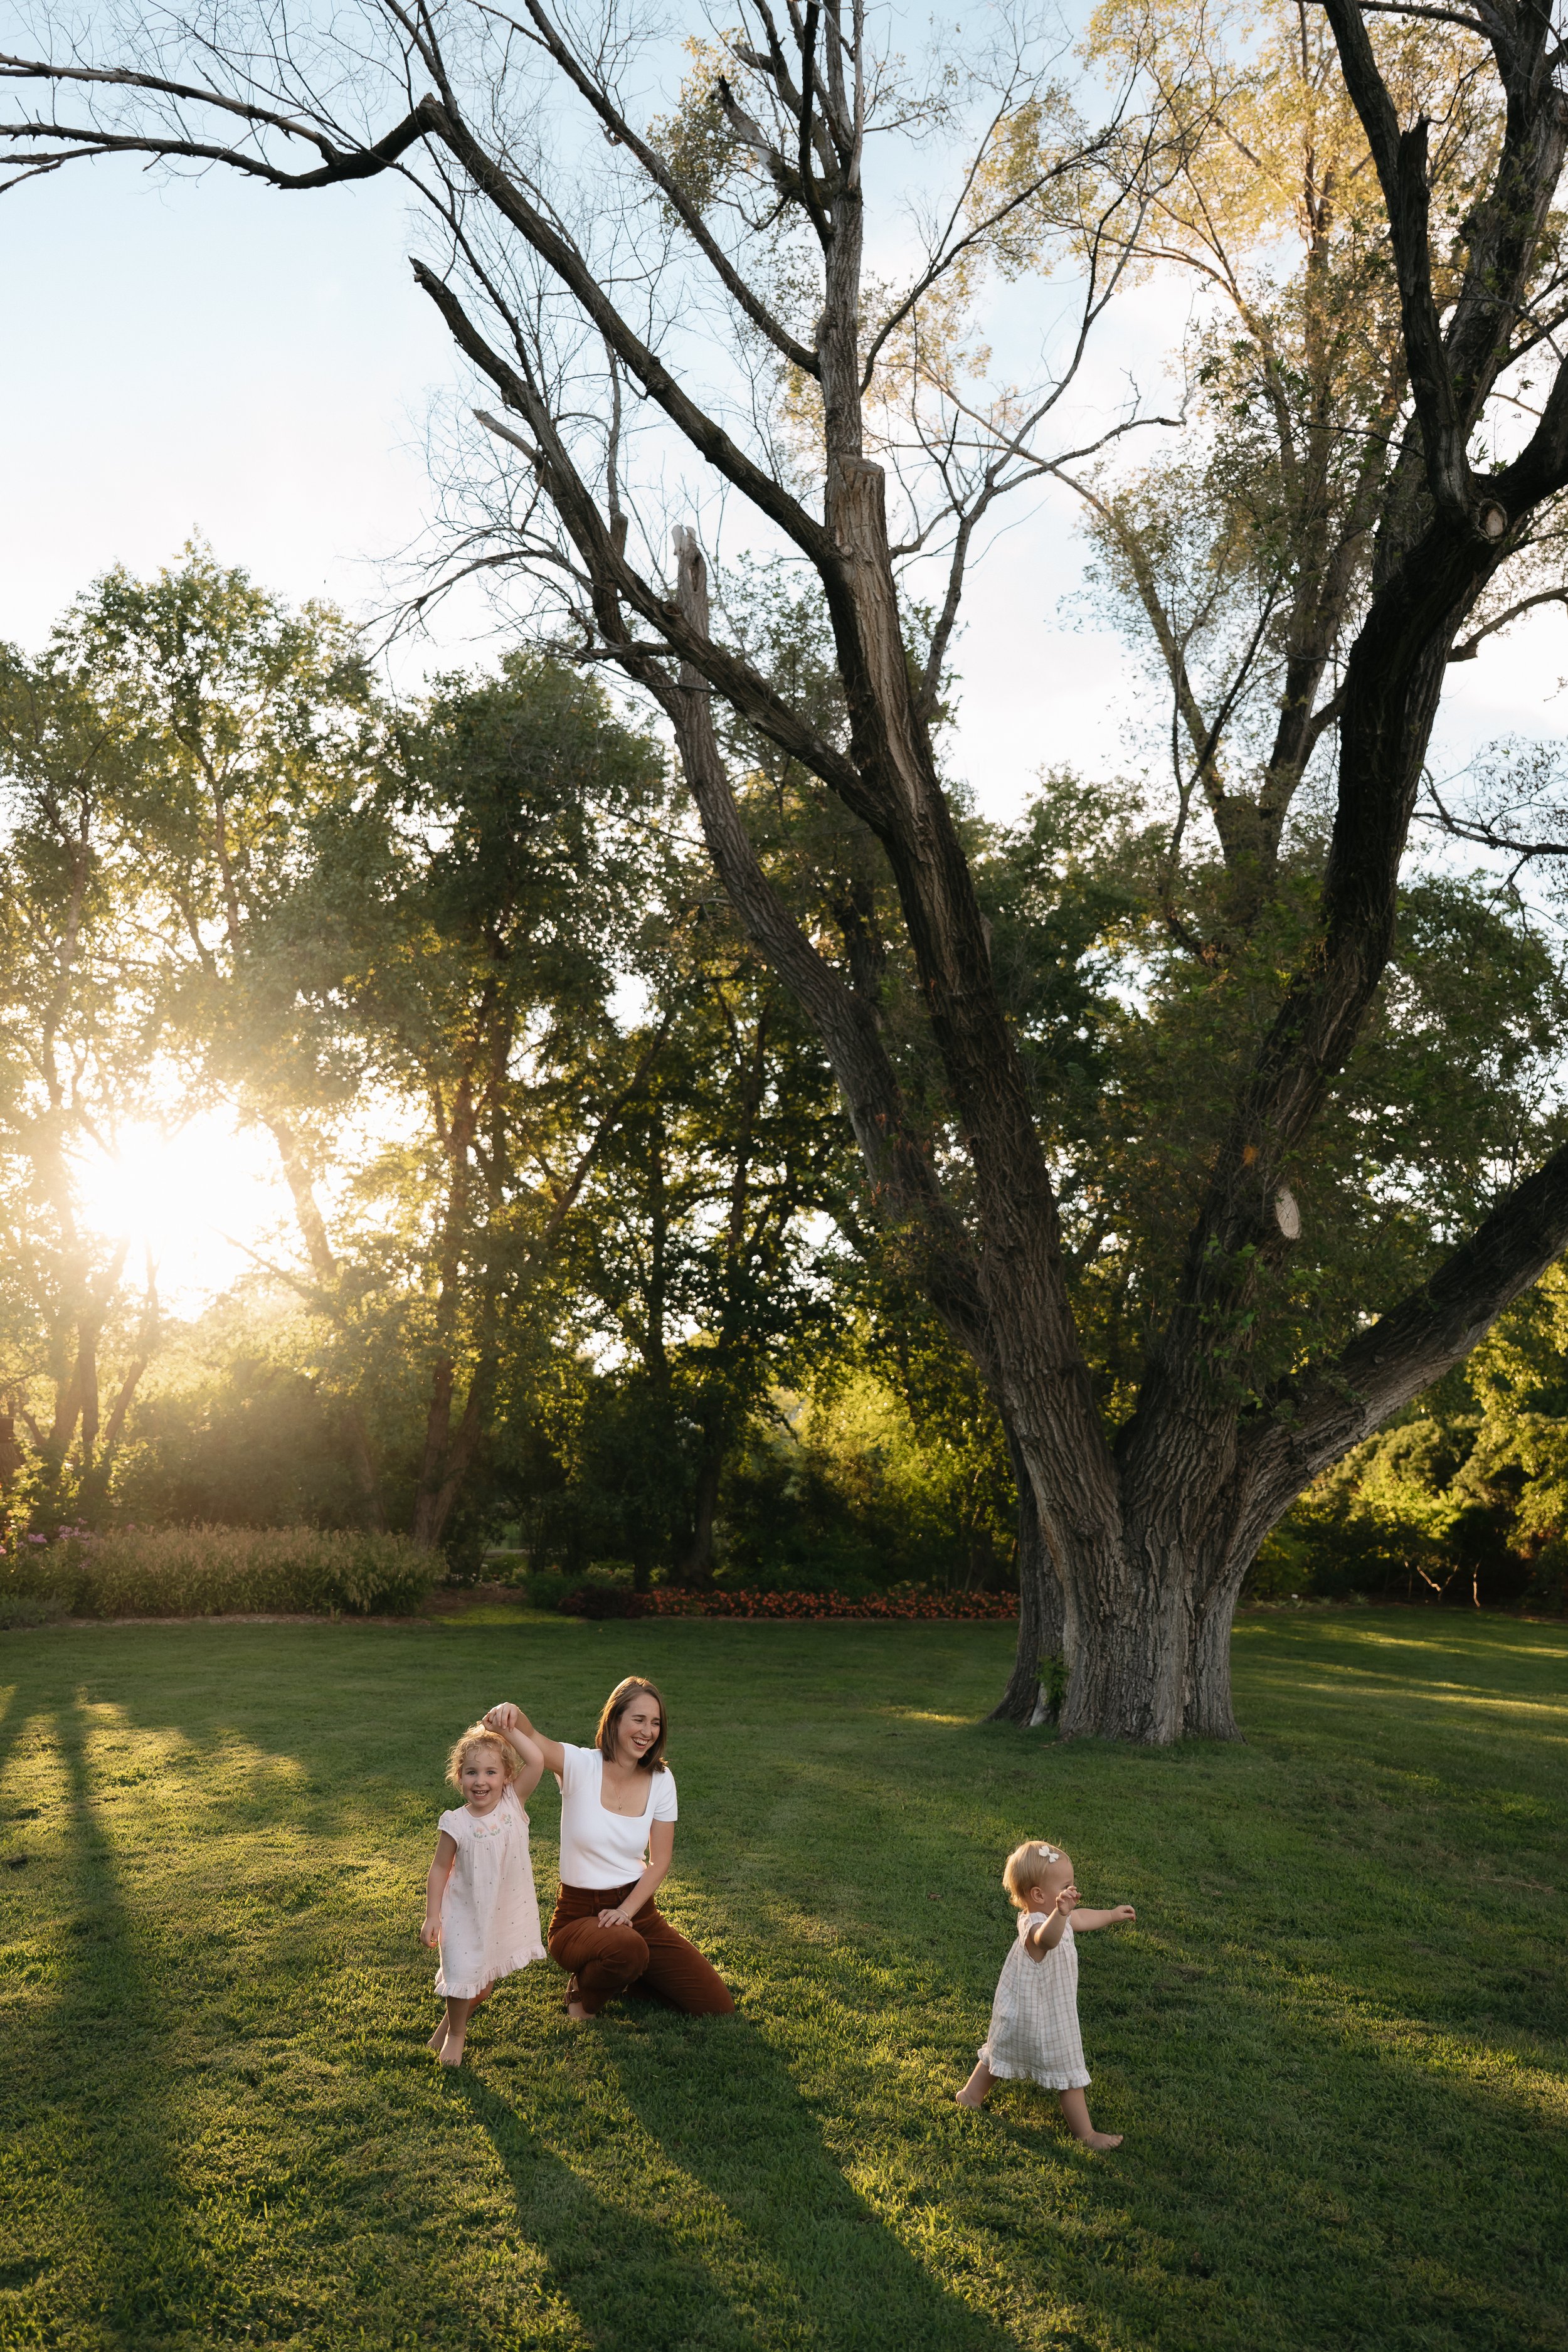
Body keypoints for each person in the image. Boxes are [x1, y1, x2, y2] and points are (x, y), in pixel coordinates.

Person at [484, 1679, 733, 2020]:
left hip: (637, 1912)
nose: (648, 1731)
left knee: (716, 2006)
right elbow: (534, 1738)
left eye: (655, 1723)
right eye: (639, 1720)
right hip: (577, 1915)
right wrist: (512, 1712)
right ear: (614, 1720)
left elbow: (659, 1861)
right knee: (627, 1949)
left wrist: (628, 1912)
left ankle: (632, 1972)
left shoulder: (662, 1780)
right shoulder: (579, 1765)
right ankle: (583, 1992)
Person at [956, 1837, 1135, 2148]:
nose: (1074, 1891)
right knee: (1067, 2070)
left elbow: (1078, 1918)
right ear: (1039, 1895)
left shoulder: (1060, 1916)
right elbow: (1047, 1940)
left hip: (1031, 2008)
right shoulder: (1036, 1925)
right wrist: (1061, 1913)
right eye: (1066, 1886)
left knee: (1002, 2051)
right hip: (1044, 2014)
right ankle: (1087, 2134)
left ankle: (970, 2095)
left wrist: (1109, 1914)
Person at [421, 1718, 547, 2065]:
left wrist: (506, 1730)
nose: (481, 1781)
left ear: (507, 1776)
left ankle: (447, 2026)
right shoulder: (456, 1823)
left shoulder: (512, 1804)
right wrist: (432, 1915)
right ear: (459, 1776)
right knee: (462, 1973)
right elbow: (438, 1869)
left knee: (482, 1983)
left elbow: (537, 1759)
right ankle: (457, 2036)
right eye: (472, 1772)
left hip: (500, 1910)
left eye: (491, 1772)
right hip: (464, 1912)